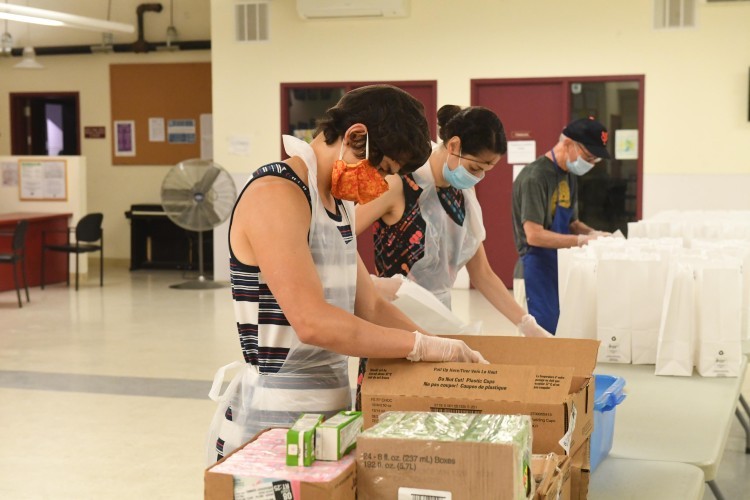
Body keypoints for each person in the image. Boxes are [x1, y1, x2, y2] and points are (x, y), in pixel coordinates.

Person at [207, 85, 488, 464]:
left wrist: (437, 345)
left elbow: (368, 304)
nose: (378, 186)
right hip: (271, 418)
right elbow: (311, 322)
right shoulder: (276, 193)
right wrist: (417, 347)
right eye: (381, 170)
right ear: (355, 136)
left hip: (330, 416)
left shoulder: (336, 204)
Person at [355, 104, 551, 338]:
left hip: (438, 322)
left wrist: (526, 323)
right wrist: (371, 284)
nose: (478, 177)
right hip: (392, 321)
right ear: (454, 146)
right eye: (475, 167)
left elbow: (482, 274)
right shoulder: (399, 184)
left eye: (487, 170)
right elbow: (340, 238)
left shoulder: (461, 192)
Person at [511, 117, 611, 334]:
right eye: (589, 157)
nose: (591, 164)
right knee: (537, 342)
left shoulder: (569, 175)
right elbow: (534, 235)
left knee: (559, 334)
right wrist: (581, 241)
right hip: (533, 269)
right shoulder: (534, 177)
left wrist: (594, 233)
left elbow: (572, 223)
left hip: (558, 266)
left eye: (596, 160)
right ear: (568, 144)